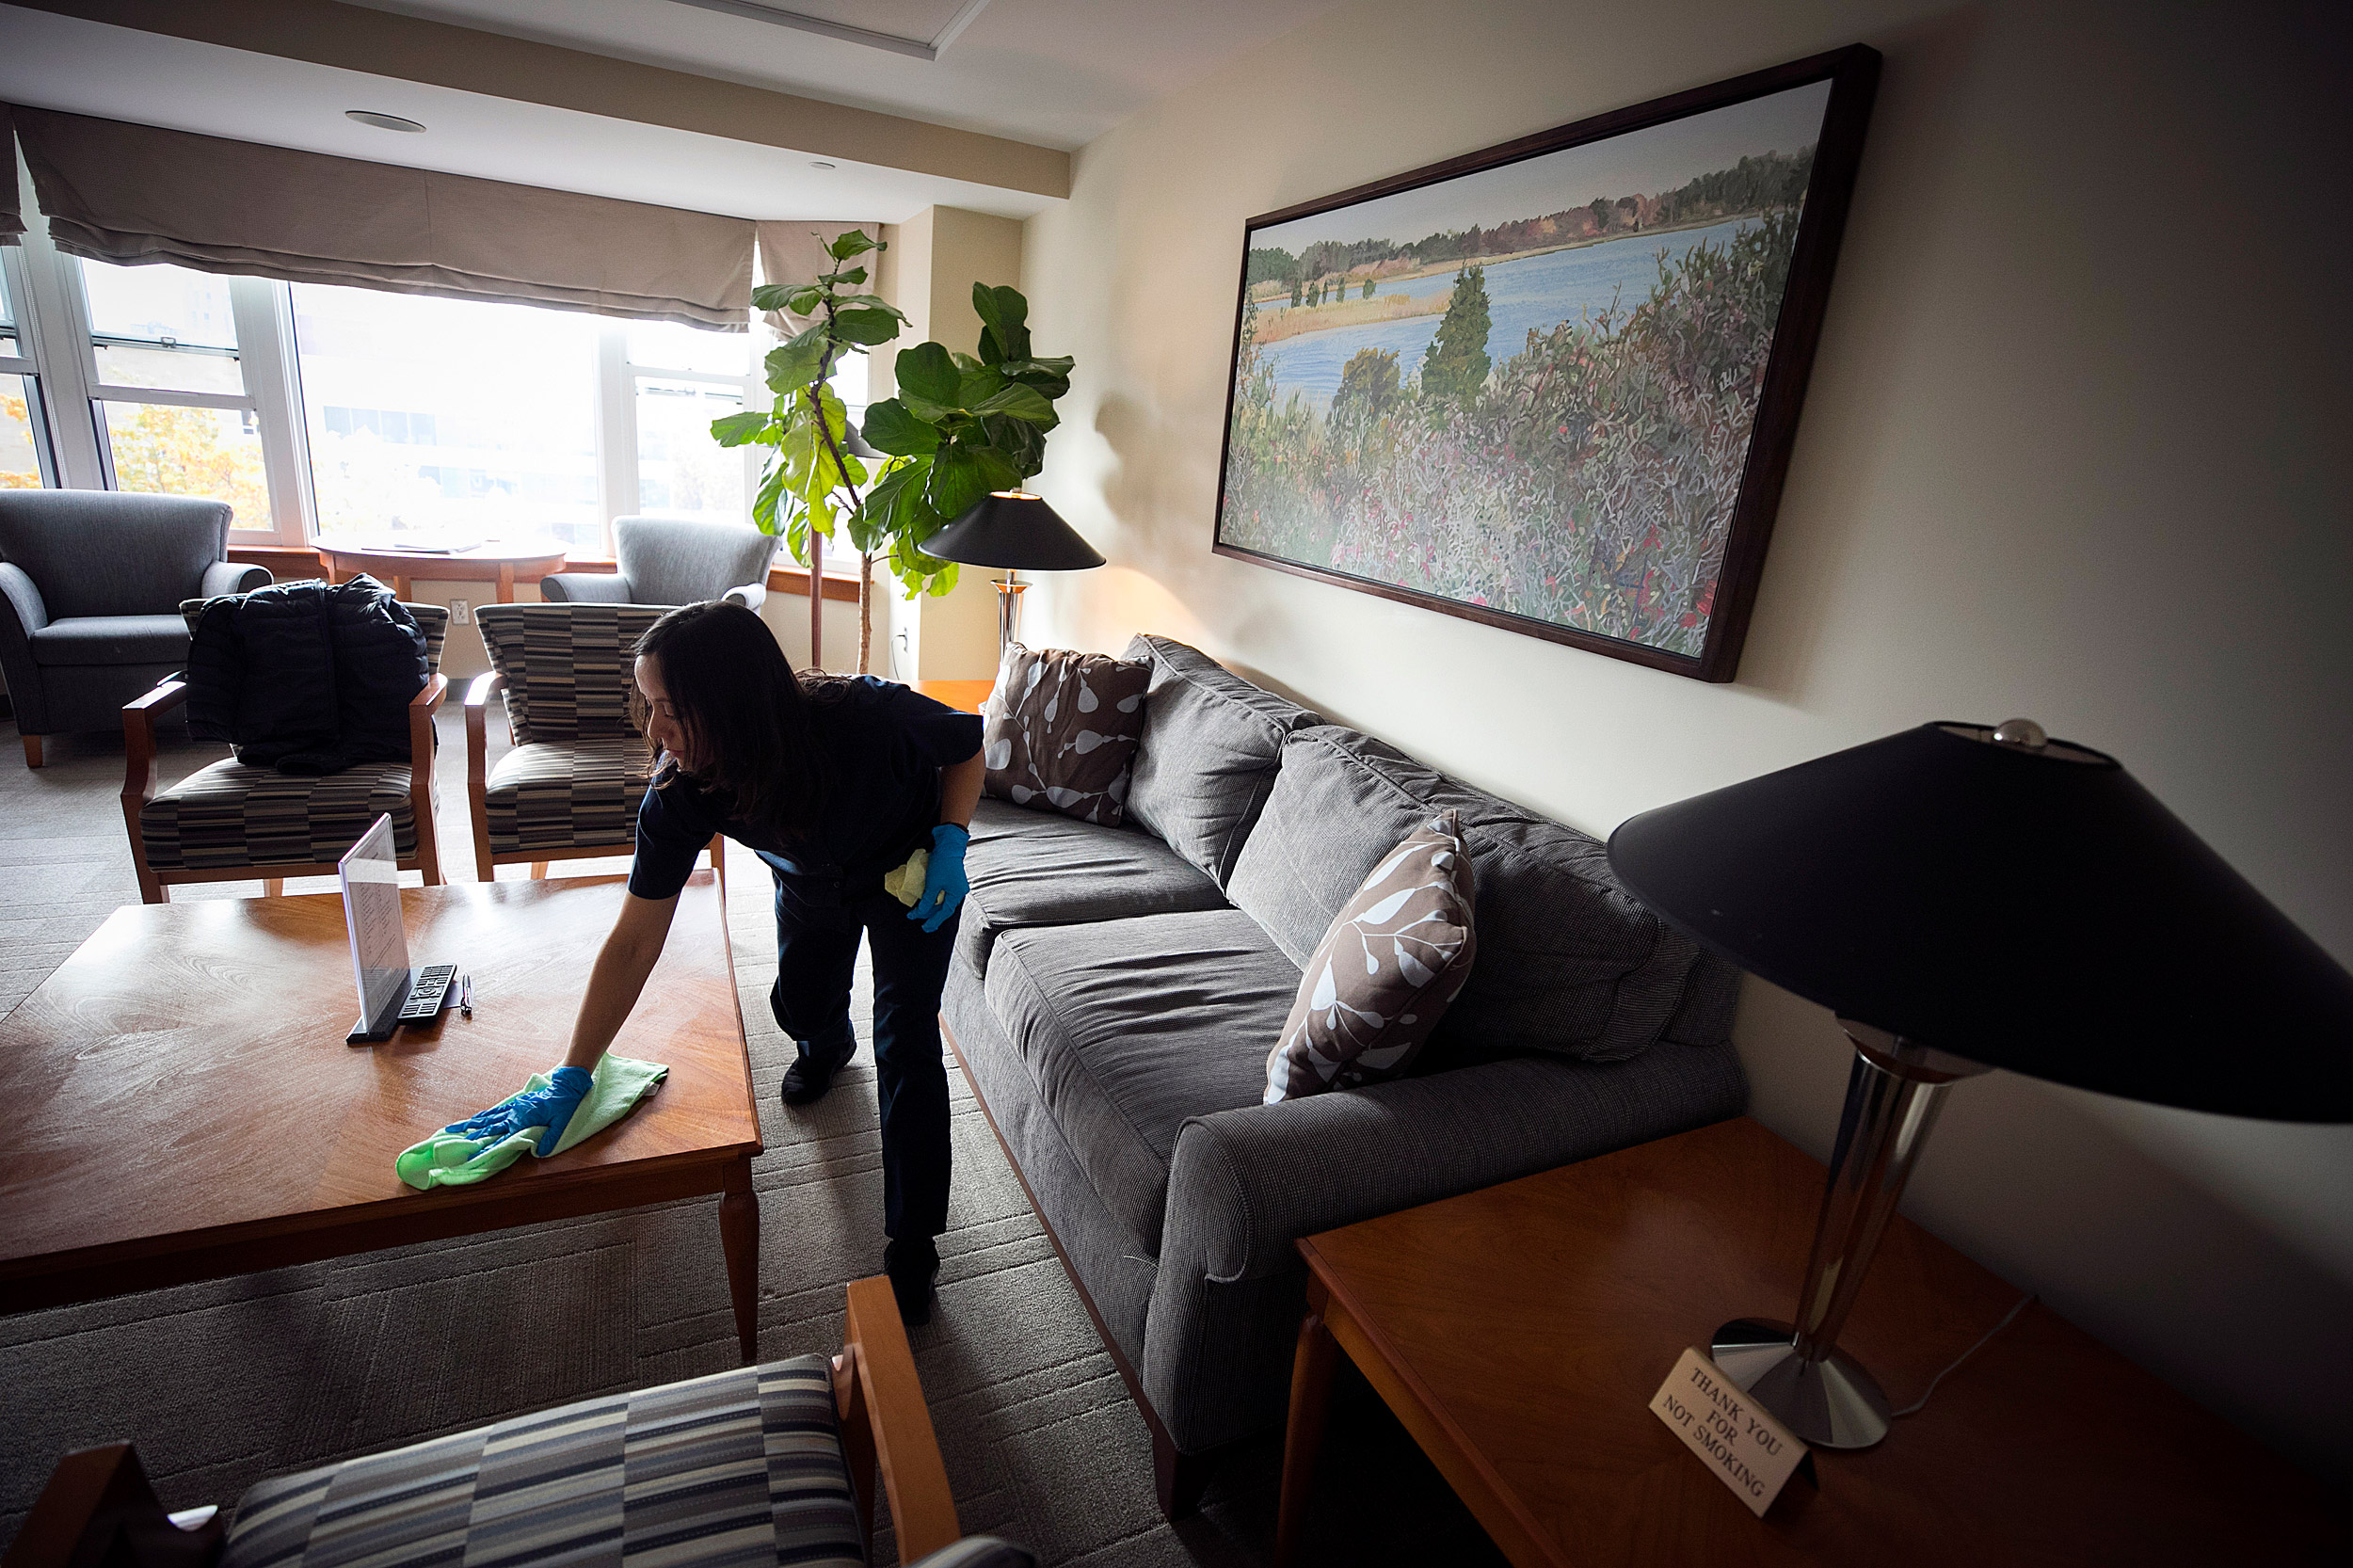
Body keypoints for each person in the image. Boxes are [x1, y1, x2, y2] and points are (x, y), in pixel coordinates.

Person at [444, 600, 984, 1323]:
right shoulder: (683, 790)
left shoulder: (865, 715)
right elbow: (636, 938)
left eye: (670, 708)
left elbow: (966, 745)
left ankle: (913, 1238)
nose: (653, 730)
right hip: (805, 880)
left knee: (908, 1040)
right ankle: (825, 1043)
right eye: (649, 705)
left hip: (905, 873)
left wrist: (952, 837)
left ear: (733, 701)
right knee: (798, 1002)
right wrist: (574, 1068)